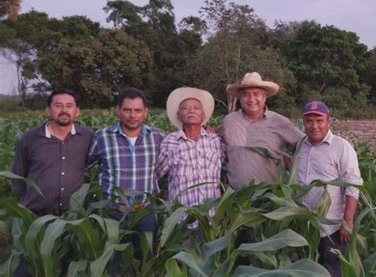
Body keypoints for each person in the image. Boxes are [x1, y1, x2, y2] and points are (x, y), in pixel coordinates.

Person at [87, 87, 163, 246]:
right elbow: (87, 164)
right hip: (113, 213)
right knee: (113, 261)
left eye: (138, 110)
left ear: (146, 112)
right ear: (118, 110)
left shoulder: (157, 136)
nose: (133, 115)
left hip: (145, 212)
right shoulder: (102, 137)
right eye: (127, 110)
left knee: (146, 259)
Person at [296, 101, 363, 277]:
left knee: (332, 270)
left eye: (319, 120)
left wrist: (347, 221)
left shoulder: (342, 147)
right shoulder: (301, 146)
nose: (314, 126)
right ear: (303, 123)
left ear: (329, 121)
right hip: (304, 226)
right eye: (309, 121)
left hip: (330, 227)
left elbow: (352, 185)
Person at [11, 88, 93, 216]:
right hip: (34, 215)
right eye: (58, 106)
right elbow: (18, 177)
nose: (64, 111)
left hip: (74, 217)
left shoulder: (87, 137)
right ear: (48, 110)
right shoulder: (29, 139)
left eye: (69, 106)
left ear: (77, 111)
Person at [217, 72, 304, 189]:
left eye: (256, 94)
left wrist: (291, 164)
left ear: (264, 97)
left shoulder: (279, 121)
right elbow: (214, 140)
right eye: (246, 95)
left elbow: (305, 145)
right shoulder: (229, 121)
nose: (251, 99)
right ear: (240, 99)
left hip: (270, 197)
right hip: (236, 197)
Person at [156, 87, 224, 230]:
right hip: (181, 222)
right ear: (179, 115)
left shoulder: (216, 140)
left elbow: (227, 164)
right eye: (185, 108)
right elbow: (156, 175)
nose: (191, 111)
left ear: (203, 114)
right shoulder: (170, 142)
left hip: (211, 220)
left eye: (196, 108)